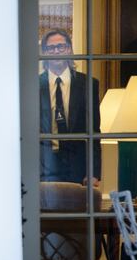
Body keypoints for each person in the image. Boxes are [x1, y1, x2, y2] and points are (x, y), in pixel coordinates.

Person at [39, 29, 101, 186]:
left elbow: (94, 132)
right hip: (45, 166)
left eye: (61, 46)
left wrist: (93, 172)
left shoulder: (88, 84)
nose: (56, 51)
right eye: (51, 48)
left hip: (78, 169)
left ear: (69, 49)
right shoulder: (34, 85)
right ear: (45, 53)